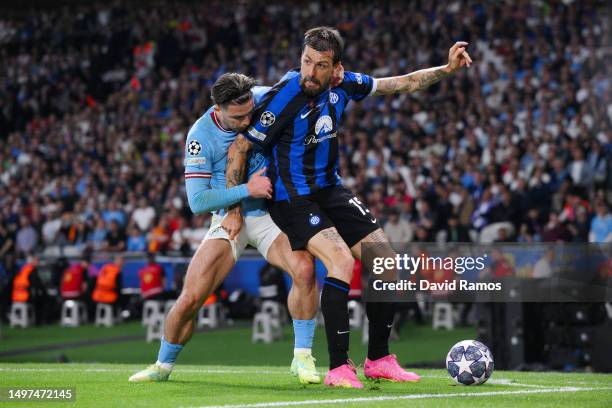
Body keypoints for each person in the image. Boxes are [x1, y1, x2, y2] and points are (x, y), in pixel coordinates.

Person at [225, 26, 471, 388]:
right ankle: (339, 368)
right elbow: (239, 149)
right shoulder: (284, 97)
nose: (310, 71)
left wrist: (446, 69)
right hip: (292, 197)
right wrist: (233, 208)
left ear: (335, 67)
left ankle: (380, 359)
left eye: (320, 64)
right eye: (306, 61)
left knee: (385, 261)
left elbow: (399, 83)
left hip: (330, 189)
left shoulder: (344, 84)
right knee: (340, 260)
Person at [129, 71, 343, 384]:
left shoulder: (259, 98)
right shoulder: (200, 136)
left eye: (249, 113)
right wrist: (245, 191)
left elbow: (298, 84)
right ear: (218, 110)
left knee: (305, 270)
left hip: (267, 215)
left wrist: (328, 77)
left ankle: (302, 357)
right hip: (228, 218)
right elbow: (198, 202)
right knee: (190, 299)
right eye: (237, 117)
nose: (247, 122)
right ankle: (162, 365)